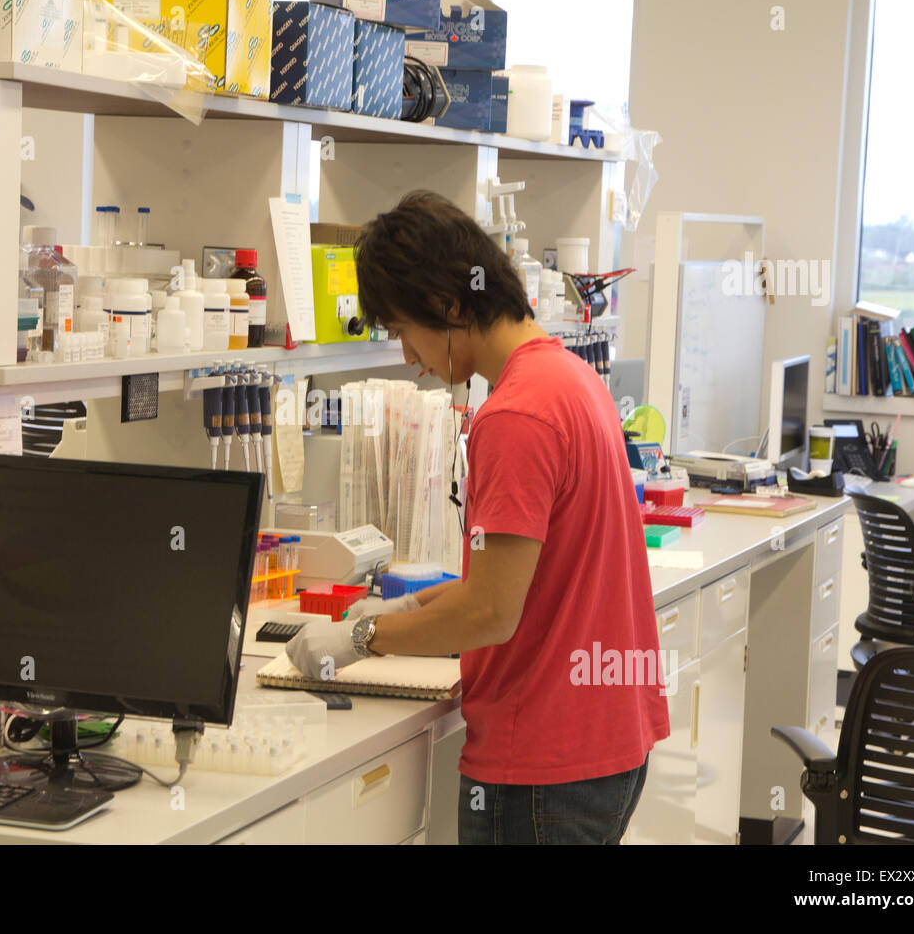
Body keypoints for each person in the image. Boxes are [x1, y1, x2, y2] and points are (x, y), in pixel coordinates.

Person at [286, 190, 669, 844]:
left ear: (449, 305)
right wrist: (409, 610)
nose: (408, 356)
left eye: (404, 330)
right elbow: (517, 582)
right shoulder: (572, 381)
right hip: (603, 741)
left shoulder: (516, 416)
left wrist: (358, 642)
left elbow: (492, 615)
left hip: (542, 762)